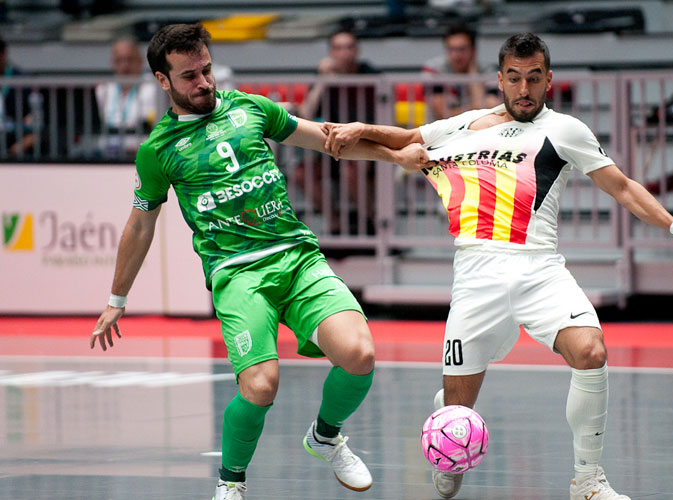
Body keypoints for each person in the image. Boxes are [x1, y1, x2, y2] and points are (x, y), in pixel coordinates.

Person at [324, 33, 673, 500]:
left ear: (548, 80)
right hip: (476, 274)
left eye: (534, 78)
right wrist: (357, 127)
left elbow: (624, 187)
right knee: (456, 408)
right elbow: (410, 139)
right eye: (514, 78)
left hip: (540, 269)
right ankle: (451, 441)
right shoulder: (468, 123)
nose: (524, 89)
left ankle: (588, 481)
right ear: (500, 80)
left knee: (591, 352)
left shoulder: (566, 130)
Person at [88, 23, 426, 500]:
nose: (204, 82)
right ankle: (231, 484)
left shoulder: (249, 107)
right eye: (189, 76)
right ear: (163, 82)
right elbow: (140, 224)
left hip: (296, 257)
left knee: (360, 356)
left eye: (206, 69)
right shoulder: (157, 150)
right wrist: (116, 298)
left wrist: (397, 157)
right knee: (261, 385)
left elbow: (327, 139)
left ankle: (325, 436)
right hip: (237, 273)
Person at [298, 28, 381, 235]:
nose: (343, 53)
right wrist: (322, 81)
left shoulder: (372, 76)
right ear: (331, 53)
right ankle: (335, 224)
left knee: (350, 171)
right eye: (338, 48)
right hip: (330, 147)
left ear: (357, 50)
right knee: (301, 173)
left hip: (365, 146)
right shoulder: (324, 78)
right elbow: (306, 113)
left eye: (348, 47)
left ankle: (372, 224)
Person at [95, 36, 158, 157]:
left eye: (129, 59)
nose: (125, 65)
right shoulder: (104, 89)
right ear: (112, 63)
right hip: (107, 152)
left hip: (141, 152)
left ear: (140, 61)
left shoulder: (153, 87)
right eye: (119, 60)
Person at [422, 23, 499, 120]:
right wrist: (477, 109)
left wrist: (473, 73)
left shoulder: (490, 70)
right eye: (451, 49)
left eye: (462, 49)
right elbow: (443, 114)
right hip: (444, 131)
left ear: (474, 50)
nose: (456, 55)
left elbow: (492, 108)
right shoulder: (433, 69)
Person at [0, 36, 36, 158]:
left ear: (3, 54)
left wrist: (15, 149)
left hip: (18, 143)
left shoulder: (23, 81)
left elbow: (37, 125)